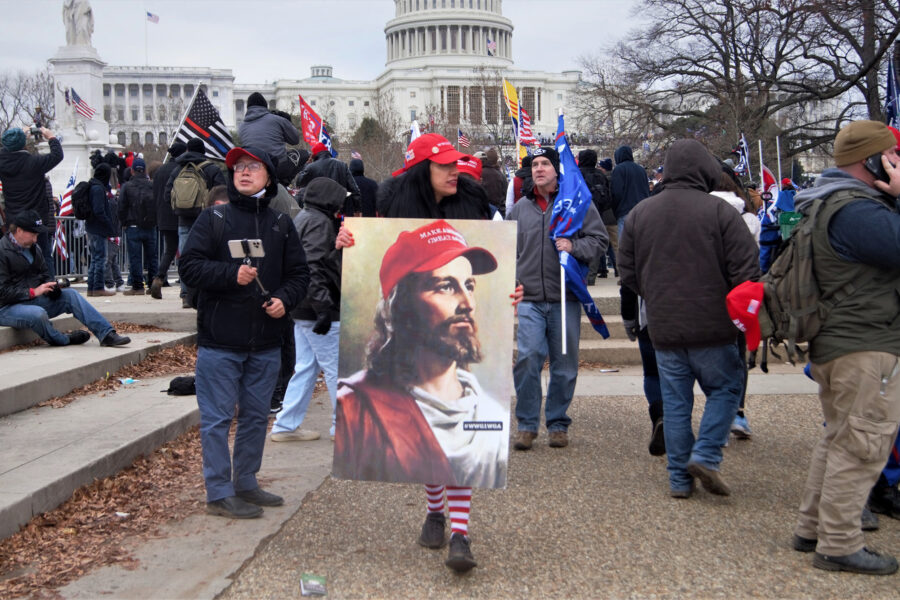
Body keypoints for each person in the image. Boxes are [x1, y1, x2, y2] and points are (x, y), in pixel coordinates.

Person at [336, 133, 513, 573]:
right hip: (398, 378)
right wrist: (343, 241)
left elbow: (509, 253)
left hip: (451, 390)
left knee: (451, 434)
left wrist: (516, 288)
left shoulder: (473, 201)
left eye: (468, 284)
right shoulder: (357, 407)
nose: (457, 171)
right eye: (445, 165)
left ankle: (459, 531)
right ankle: (436, 510)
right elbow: (360, 242)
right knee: (430, 435)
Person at [618, 139, 759, 500]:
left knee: (677, 403)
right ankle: (706, 455)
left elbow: (628, 272)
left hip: (663, 324)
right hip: (713, 323)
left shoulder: (639, 213)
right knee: (726, 389)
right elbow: (747, 271)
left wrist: (655, 293)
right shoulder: (721, 212)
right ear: (703, 170)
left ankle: (680, 480)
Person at [789, 120, 900, 575]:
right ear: (873, 160)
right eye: (892, 157)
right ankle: (838, 543)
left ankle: (811, 527)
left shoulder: (827, 202)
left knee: (840, 437)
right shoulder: (860, 211)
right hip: (864, 342)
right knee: (863, 444)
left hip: (840, 341)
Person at [179, 146, 309, 520]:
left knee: (255, 416)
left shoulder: (281, 225)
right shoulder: (213, 219)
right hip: (220, 341)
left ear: (269, 176)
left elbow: (300, 275)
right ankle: (219, 492)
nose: (244, 172)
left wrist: (285, 299)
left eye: (253, 167)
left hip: (266, 342)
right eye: (238, 167)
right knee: (218, 420)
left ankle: (246, 482)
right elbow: (189, 268)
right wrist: (229, 276)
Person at [508, 146, 607, 450]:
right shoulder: (519, 210)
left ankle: (558, 422)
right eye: (534, 164)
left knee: (564, 364)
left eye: (545, 164)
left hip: (566, 296)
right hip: (530, 300)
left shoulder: (576, 205)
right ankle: (526, 424)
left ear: (557, 169)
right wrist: (512, 281)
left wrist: (574, 247)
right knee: (527, 358)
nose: (538, 169)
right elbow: (506, 250)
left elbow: (599, 240)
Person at [270, 177, 345, 442]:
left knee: (306, 367)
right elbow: (313, 266)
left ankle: (286, 425)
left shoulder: (303, 217)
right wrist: (324, 306)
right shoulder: (320, 223)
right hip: (318, 308)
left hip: (301, 307)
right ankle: (344, 427)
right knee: (337, 368)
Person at [0, 210, 130, 347]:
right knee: (38, 314)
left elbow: (44, 274)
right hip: (7, 308)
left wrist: (51, 287)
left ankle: (106, 334)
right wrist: (32, 292)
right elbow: (2, 292)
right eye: (32, 234)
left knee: (72, 295)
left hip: (31, 300)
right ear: (19, 231)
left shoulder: (33, 248)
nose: (35, 239)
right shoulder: (2, 251)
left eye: (37, 235)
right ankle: (64, 339)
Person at [165, 137, 226, 307]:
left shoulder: (178, 169)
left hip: (183, 219)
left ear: (187, 150)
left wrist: (178, 209)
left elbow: (167, 194)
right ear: (203, 151)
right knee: (206, 257)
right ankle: (201, 293)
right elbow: (222, 192)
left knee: (185, 257)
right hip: (207, 219)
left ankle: (185, 294)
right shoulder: (212, 169)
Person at [0, 127, 64, 276]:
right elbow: (57, 155)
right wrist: (51, 138)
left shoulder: (2, 162)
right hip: (35, 218)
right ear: (23, 144)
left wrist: (18, 137)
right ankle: (49, 288)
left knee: (14, 257)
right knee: (44, 257)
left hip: (14, 219)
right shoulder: (34, 162)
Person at [150, 142, 187, 299]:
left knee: (169, 251)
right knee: (185, 252)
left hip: (163, 217)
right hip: (179, 215)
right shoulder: (182, 169)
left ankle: (158, 278)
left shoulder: (160, 171)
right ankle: (185, 288)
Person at [118, 158, 157, 295]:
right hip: (150, 226)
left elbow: (121, 206)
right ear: (145, 170)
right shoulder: (152, 185)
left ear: (132, 170)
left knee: (135, 258)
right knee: (152, 257)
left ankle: (138, 286)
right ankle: (153, 284)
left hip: (133, 225)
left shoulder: (127, 186)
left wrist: (123, 222)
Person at [237, 92, 300, 168]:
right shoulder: (278, 120)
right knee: (303, 155)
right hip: (278, 165)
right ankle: (290, 179)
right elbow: (295, 140)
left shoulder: (241, 127)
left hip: (254, 166)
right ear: (265, 106)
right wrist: (288, 122)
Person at [297, 142, 360, 216]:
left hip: (319, 213)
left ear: (314, 155)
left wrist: (307, 165)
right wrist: (357, 210)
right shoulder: (342, 165)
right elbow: (355, 190)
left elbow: (299, 182)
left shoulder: (311, 167)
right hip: (339, 212)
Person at [85, 164, 117, 297]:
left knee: (94, 259)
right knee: (100, 259)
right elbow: (99, 210)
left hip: (92, 227)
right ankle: (98, 287)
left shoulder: (92, 186)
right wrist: (108, 224)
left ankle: (92, 287)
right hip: (98, 228)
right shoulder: (98, 189)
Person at [610, 145, 650, 238]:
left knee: (625, 245)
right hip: (642, 210)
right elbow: (646, 190)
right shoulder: (641, 170)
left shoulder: (619, 169)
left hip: (625, 211)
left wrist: (615, 210)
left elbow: (617, 192)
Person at [479, 148, 507, 216]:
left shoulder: (480, 173)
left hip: (485, 214)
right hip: (500, 213)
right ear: (496, 160)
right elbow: (505, 194)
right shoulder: (501, 176)